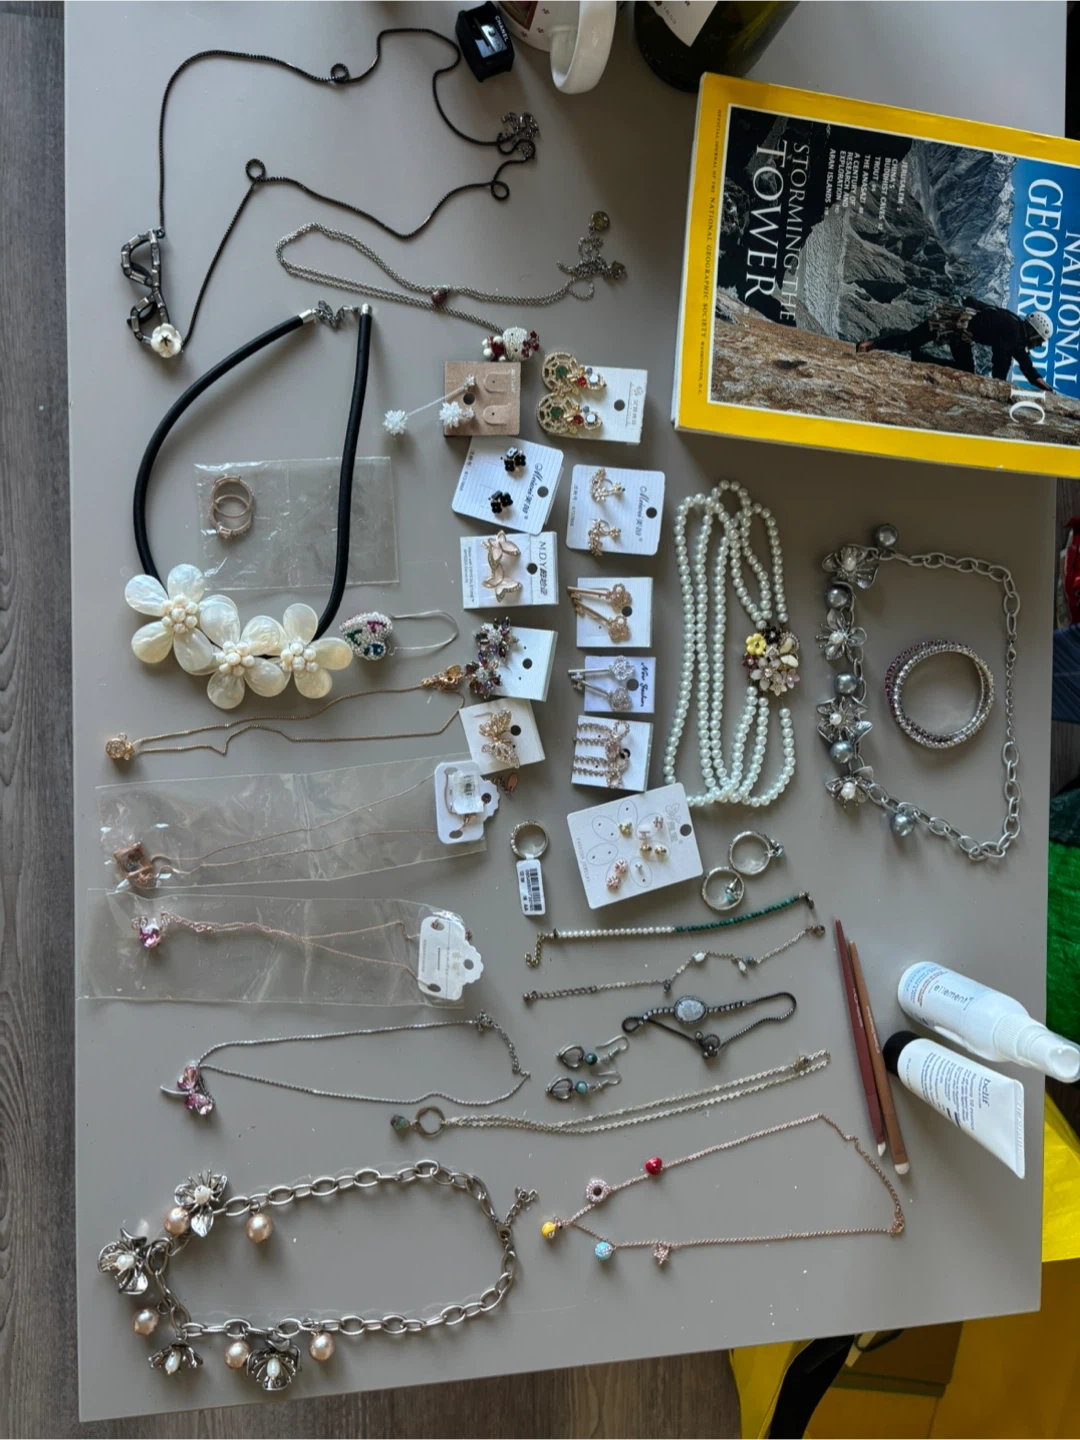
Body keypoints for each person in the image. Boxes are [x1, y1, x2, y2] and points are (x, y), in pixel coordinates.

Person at [856, 300, 1054, 392]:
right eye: (1038, 340)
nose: (1037, 344)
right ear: (1033, 332)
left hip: (955, 323)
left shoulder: (1015, 328)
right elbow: (1001, 359)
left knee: (911, 340)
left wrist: (1042, 385)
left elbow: (1024, 363)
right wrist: (999, 385)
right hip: (953, 325)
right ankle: (875, 346)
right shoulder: (1013, 332)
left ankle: (876, 346)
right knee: (911, 341)